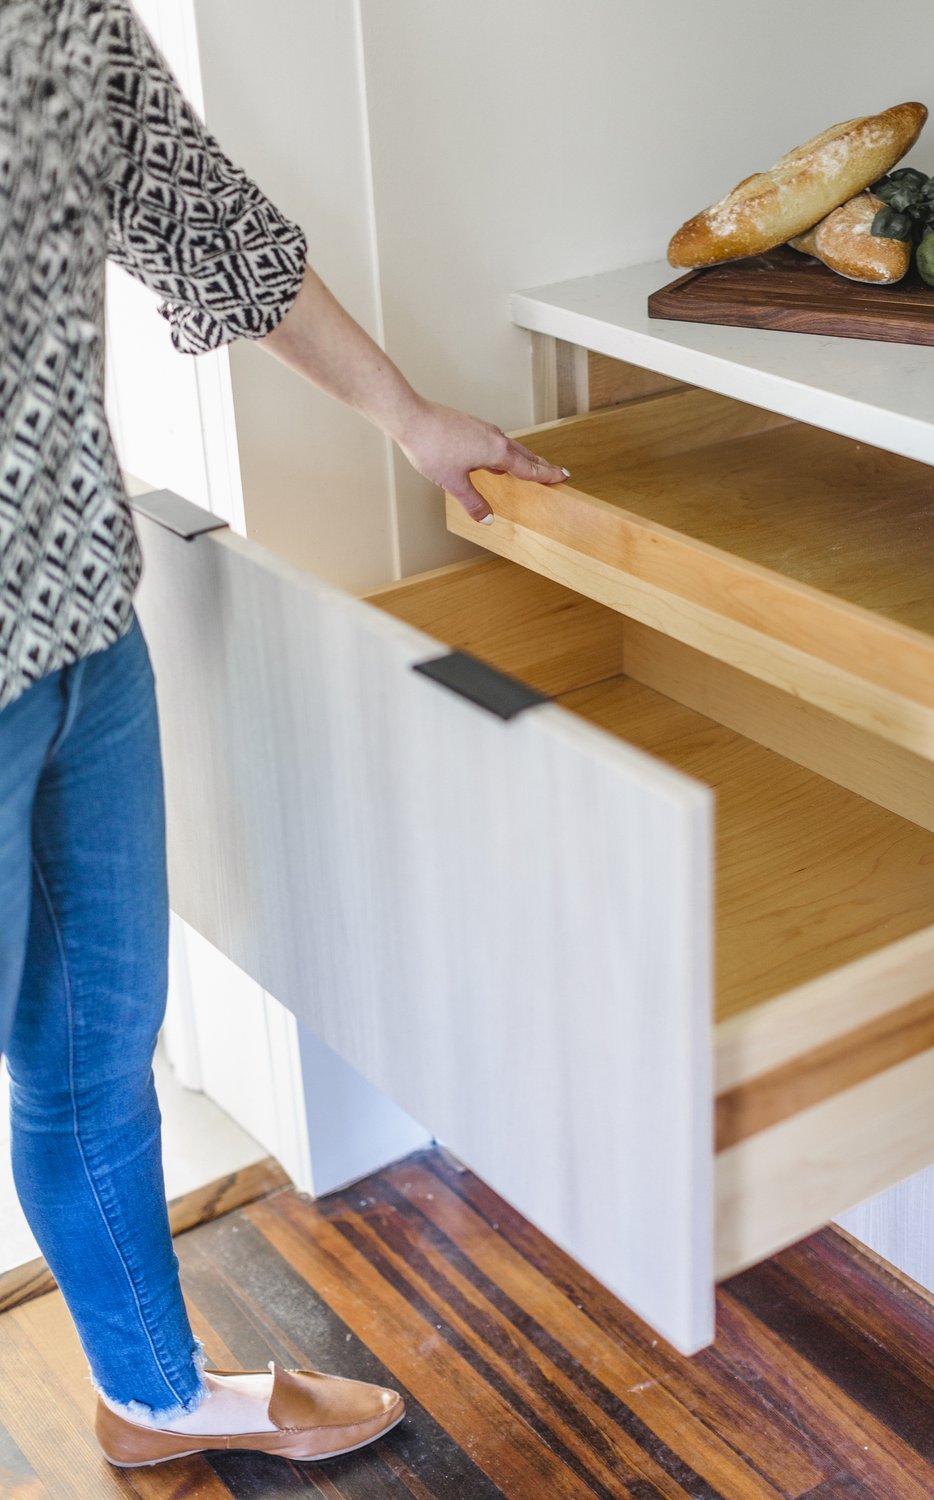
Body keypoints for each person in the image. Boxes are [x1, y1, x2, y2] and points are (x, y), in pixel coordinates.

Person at [0, 0, 566, 1469]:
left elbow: (204, 221)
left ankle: (154, 1393)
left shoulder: (56, 17)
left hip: (82, 623)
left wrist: (409, 416)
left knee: (92, 1051)